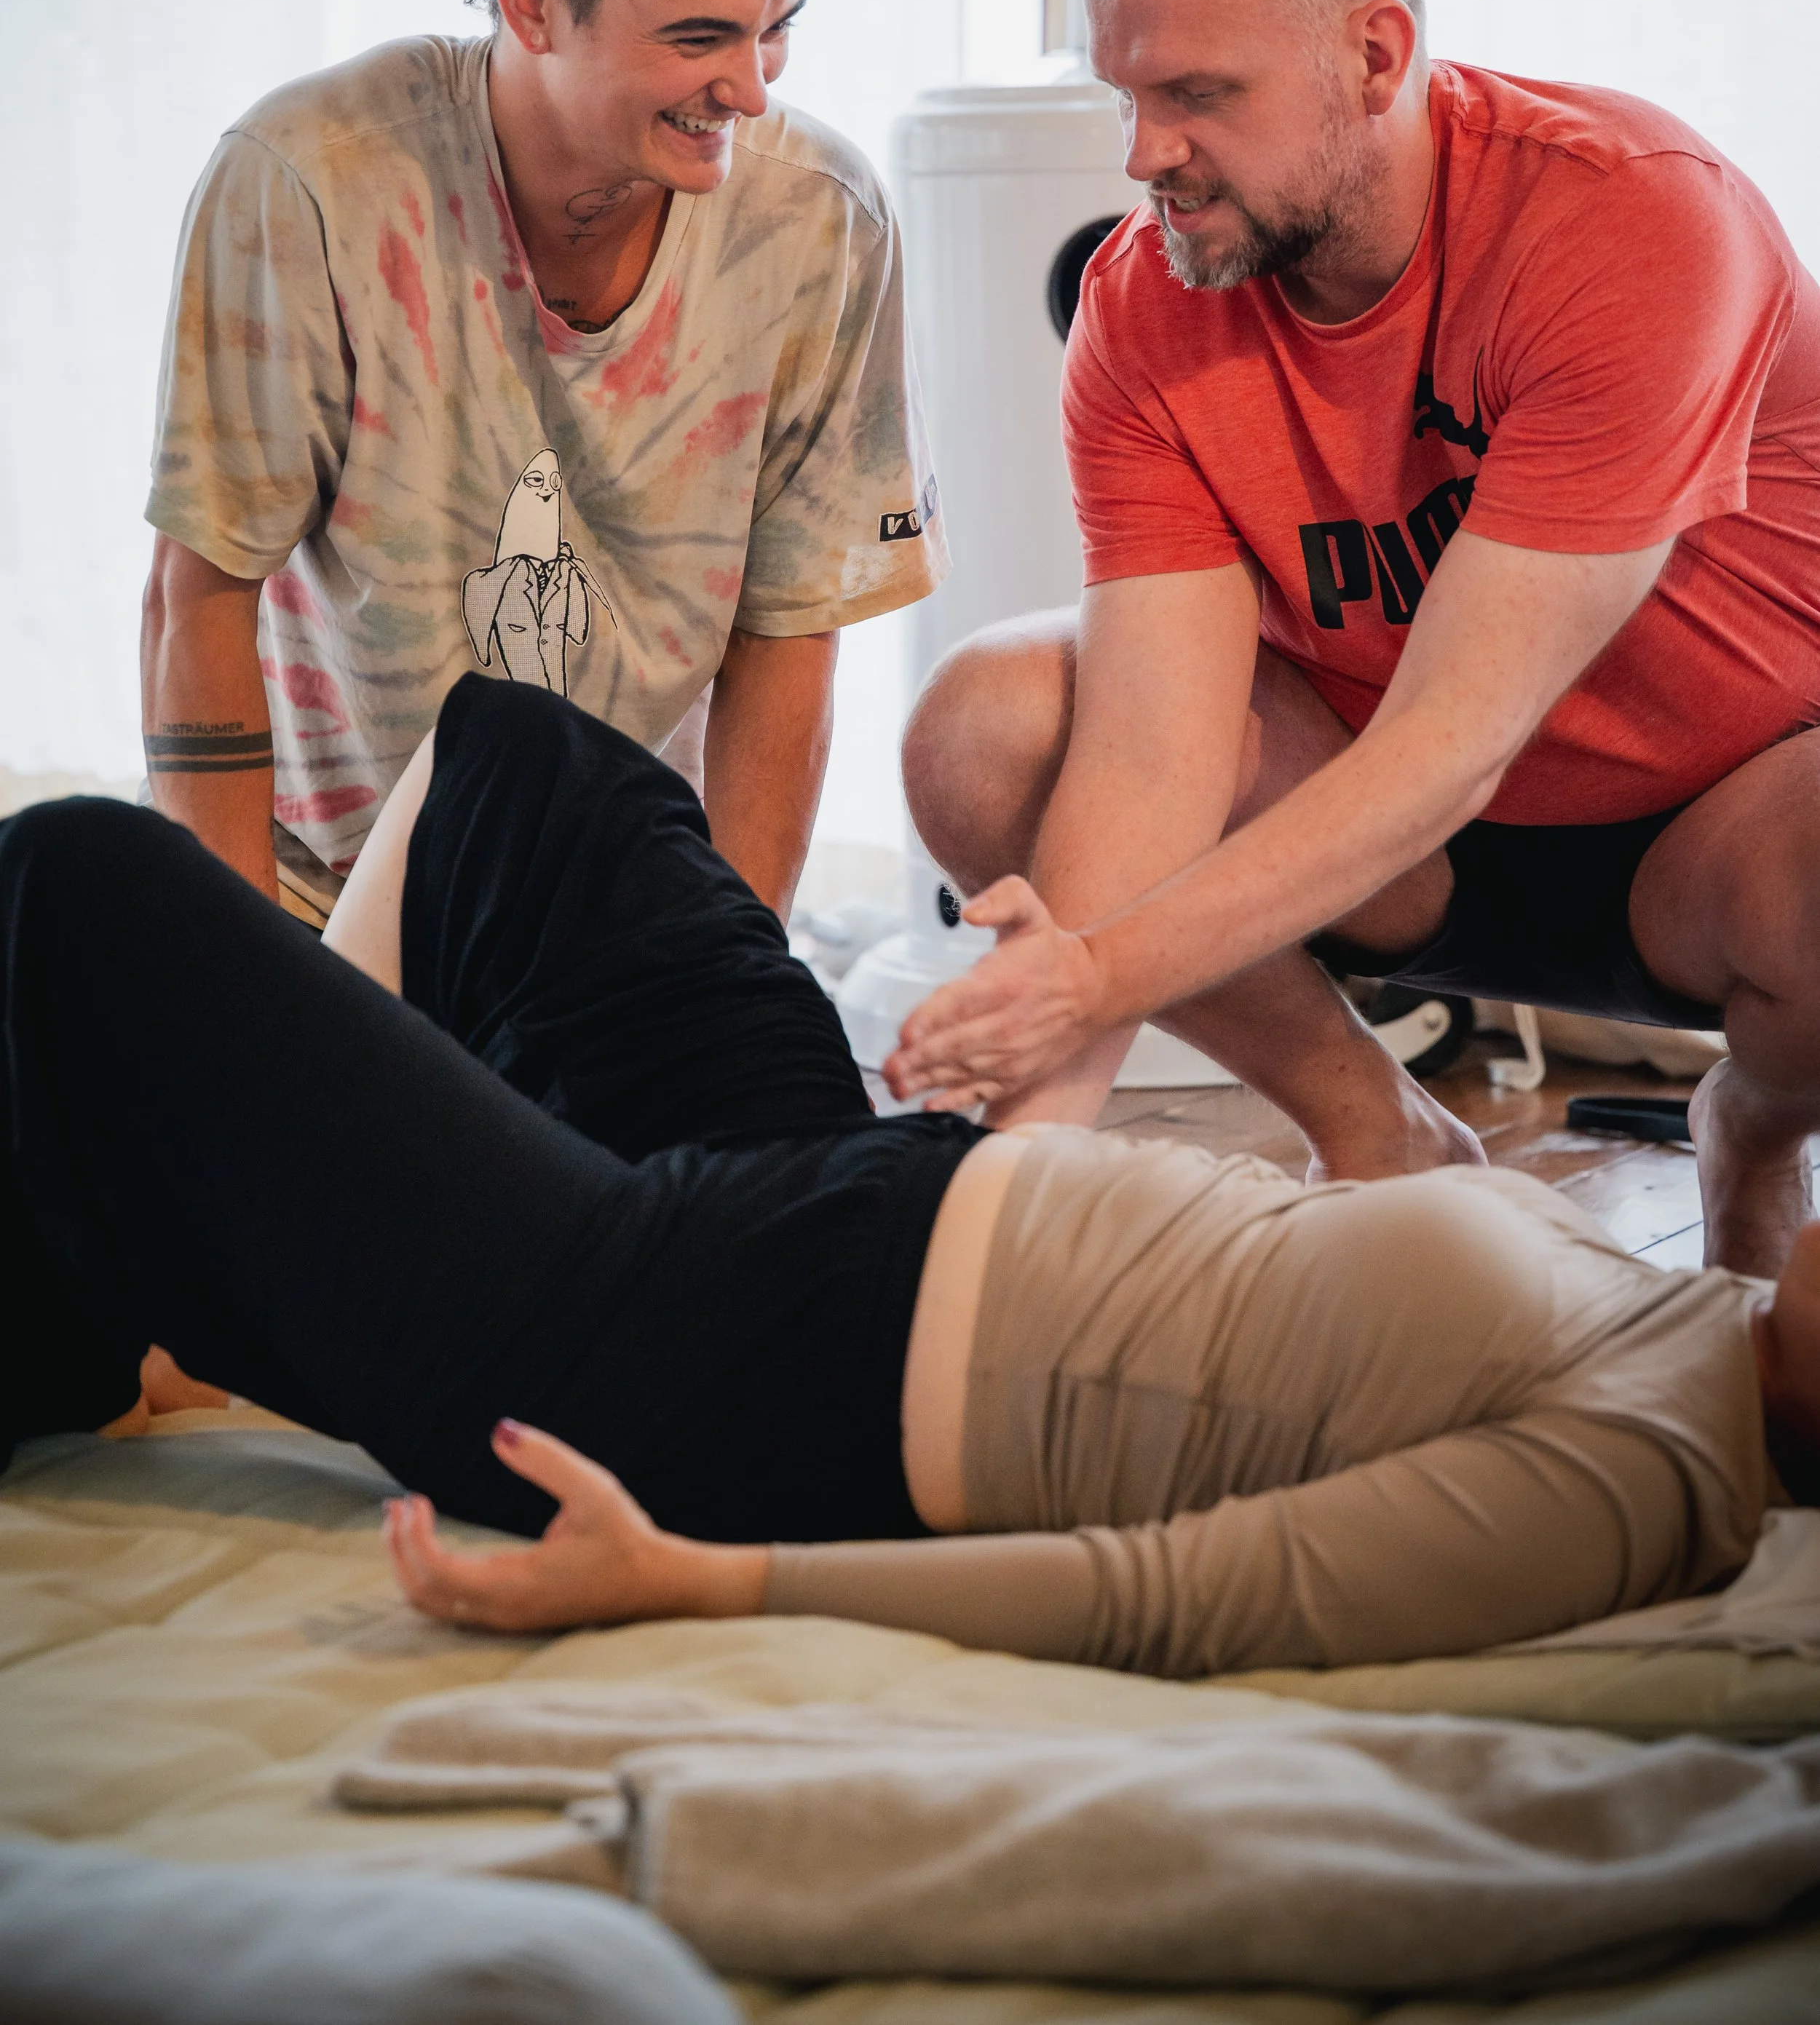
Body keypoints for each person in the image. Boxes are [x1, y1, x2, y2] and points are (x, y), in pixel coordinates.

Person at [2, 678, 1812, 1679]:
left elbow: (1175, 1594)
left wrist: (700, 1587)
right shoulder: (1689, 1315)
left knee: (84, 891)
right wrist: (1032, 1103)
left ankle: (149, 1285)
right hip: (861, 1190)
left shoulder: (1645, 1474)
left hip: (713, 1353)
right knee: (528, 771)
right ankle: (224, 1263)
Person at [889, 0, 1820, 1278]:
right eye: (1124, 94)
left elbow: (1457, 731)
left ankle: (1753, 1137)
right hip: (1402, 846)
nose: (1145, 156)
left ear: (1373, 57)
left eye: (1197, 94)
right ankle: (1373, 1127)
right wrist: (1005, 1189)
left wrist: (1077, 982)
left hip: (1713, 818)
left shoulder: (1628, 219)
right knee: (985, 727)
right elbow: (1147, 758)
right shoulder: (1147, 304)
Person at [141, 0, 946, 930]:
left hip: (627, 906)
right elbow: (196, 593)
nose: (753, 86)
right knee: (60, 882)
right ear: (530, 2)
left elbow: (792, 634)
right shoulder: (312, 179)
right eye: (698, 38)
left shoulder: (821, 221)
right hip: (325, 900)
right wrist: (242, 980)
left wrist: (734, 969)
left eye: (775, 27)